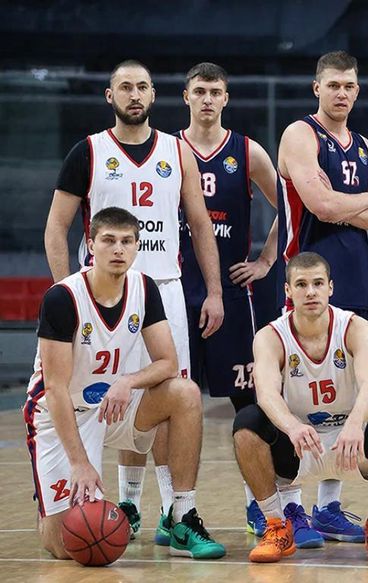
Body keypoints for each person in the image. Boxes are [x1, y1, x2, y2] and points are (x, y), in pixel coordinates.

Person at [42, 59, 224, 541]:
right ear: (111, 96)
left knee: (167, 397)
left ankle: (174, 512)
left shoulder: (177, 151)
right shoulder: (88, 151)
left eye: (142, 86)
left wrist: (214, 290)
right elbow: (56, 227)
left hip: (163, 289)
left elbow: (200, 225)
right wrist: (68, 295)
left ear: (154, 95)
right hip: (102, 295)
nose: (135, 95)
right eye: (125, 87)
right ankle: (128, 501)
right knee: (110, 397)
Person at [26, 207, 225, 560]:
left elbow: (168, 363)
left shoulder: (144, 288)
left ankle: (182, 516)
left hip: (114, 406)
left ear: (136, 246)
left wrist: (128, 382)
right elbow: (55, 390)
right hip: (62, 415)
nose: (118, 249)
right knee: (65, 545)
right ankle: (48, 496)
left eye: (127, 241)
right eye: (108, 241)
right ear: (91, 246)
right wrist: (79, 463)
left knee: (185, 392)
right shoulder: (62, 298)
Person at [276, 50, 368, 546]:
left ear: (357, 90)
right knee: (297, 393)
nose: (341, 93)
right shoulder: (300, 134)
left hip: (356, 280)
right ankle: (290, 506)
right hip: (307, 279)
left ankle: (327, 507)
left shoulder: (364, 145)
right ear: (317, 88)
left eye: (349, 85)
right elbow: (321, 206)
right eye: (333, 85)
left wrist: (355, 204)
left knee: (344, 396)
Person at [233, 252, 368, 563]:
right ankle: (277, 526)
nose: (311, 292)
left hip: (350, 446)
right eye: (301, 284)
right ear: (288, 291)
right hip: (298, 446)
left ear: (331, 287)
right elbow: (266, 394)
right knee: (246, 424)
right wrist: (292, 426)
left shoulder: (355, 327)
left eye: (318, 283)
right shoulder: (270, 336)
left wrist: (355, 423)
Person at [177, 61, 282, 538]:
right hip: (176, 290)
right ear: (186, 96)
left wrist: (265, 261)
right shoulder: (168, 149)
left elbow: (292, 205)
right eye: (199, 91)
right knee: (172, 399)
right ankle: (170, 508)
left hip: (233, 294)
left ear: (226, 98)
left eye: (215, 91)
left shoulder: (247, 150)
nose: (207, 99)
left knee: (250, 399)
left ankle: (258, 503)